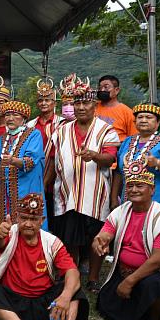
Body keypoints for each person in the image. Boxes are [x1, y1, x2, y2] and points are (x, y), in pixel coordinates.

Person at [0, 194, 88, 320]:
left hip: (44, 302)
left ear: (41, 220)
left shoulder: (51, 242)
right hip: (14, 301)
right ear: (17, 217)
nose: (28, 223)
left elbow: (72, 271)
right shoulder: (10, 233)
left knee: (74, 289)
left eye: (33, 218)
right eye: (24, 218)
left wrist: (65, 296)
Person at [44, 74, 119, 293]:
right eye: (76, 103)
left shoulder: (106, 130)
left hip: (95, 195)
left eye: (86, 103)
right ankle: (71, 274)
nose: (81, 107)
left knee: (96, 239)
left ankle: (94, 278)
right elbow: (51, 162)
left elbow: (111, 159)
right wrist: (43, 187)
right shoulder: (61, 131)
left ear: (94, 105)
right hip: (66, 194)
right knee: (69, 239)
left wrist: (95, 155)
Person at [93, 160, 160, 320]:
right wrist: (100, 241)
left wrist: (130, 281)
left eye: (140, 186)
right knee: (104, 304)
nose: (134, 190)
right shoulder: (121, 211)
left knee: (154, 285)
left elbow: (158, 260)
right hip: (123, 270)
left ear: (152, 190)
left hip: (154, 273)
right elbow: (105, 233)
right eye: (130, 186)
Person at [112, 103, 160, 216]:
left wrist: (157, 163)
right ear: (135, 122)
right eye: (140, 117)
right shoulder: (127, 142)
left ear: (157, 123)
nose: (143, 120)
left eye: (148, 117)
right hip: (129, 200)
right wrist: (114, 199)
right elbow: (118, 172)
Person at [0, 100, 44, 235]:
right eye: (7, 115)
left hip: (26, 187)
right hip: (3, 192)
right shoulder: (2, 138)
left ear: (24, 118)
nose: (10, 118)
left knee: (27, 223)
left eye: (15, 115)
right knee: (4, 228)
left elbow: (31, 161)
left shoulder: (34, 134)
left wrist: (13, 161)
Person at [27, 77, 66, 224]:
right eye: (41, 100)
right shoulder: (30, 125)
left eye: (48, 100)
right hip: (35, 174)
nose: (44, 103)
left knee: (55, 214)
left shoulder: (62, 124)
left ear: (54, 103)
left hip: (56, 175)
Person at [94, 75, 137, 142]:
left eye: (106, 87)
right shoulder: (92, 107)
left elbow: (133, 139)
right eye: (100, 88)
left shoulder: (127, 112)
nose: (102, 90)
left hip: (117, 149)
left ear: (116, 90)